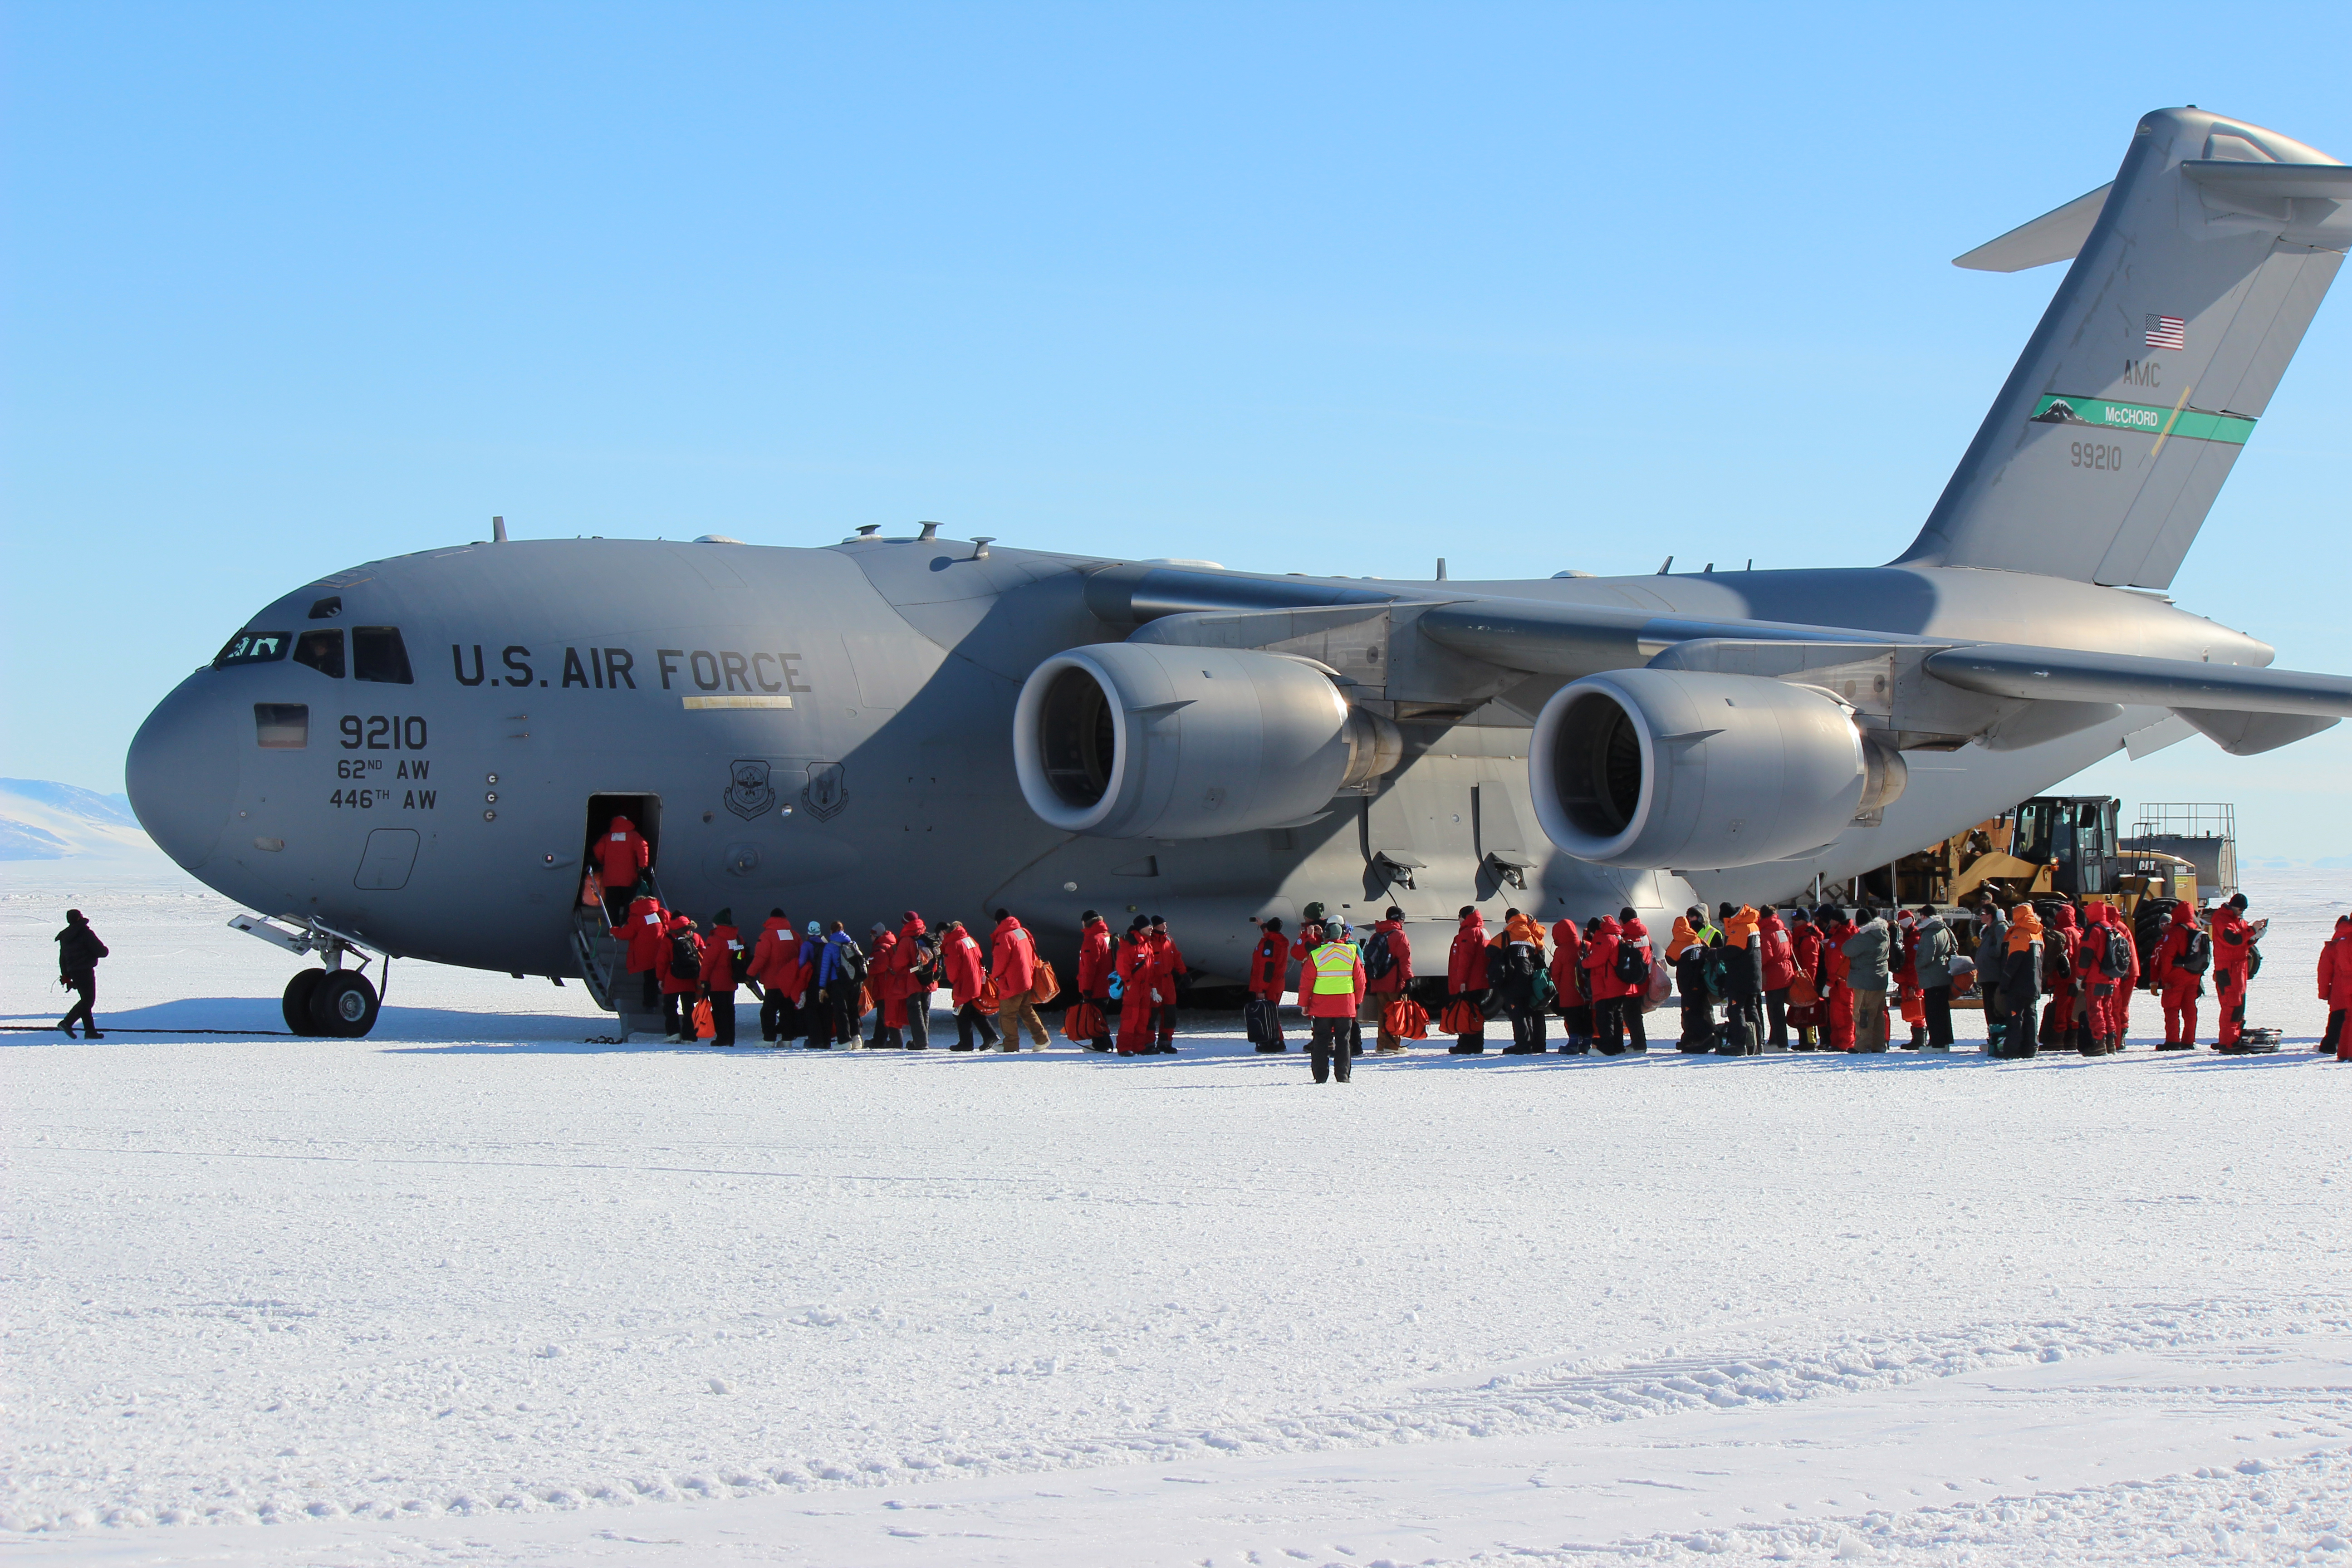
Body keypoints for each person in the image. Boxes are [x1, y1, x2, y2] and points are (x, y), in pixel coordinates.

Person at [1301, 920, 1365, 1083]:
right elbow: (1360, 981)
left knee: (1321, 1040)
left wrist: (1304, 1004)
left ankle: (1321, 1077)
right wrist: (1356, 1001)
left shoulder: (1316, 955)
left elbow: (1307, 982)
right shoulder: (1352, 953)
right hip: (1345, 1004)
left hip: (1321, 1005)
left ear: (1326, 935)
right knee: (1343, 1039)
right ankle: (1343, 1076)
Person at [987, 909, 1048, 1052]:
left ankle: (1011, 1044)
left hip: (1011, 983)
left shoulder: (1004, 937)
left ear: (998, 922)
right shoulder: (1023, 932)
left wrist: (994, 976)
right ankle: (1042, 1039)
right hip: (1027, 979)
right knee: (1026, 1010)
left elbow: (1000, 962)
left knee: (1007, 1015)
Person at [2209, 893, 2259, 1051]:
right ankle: (2228, 1042)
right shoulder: (2222, 920)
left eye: (2244, 910)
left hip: (2239, 970)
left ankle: (2232, 1038)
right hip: (2228, 970)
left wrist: (2256, 936)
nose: (2242, 912)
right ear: (2233, 906)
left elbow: (2243, 942)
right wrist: (2252, 930)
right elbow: (2233, 940)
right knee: (2232, 1006)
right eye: (2240, 909)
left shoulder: (2238, 921)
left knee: (2238, 1006)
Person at [941, 919, 1000, 1051]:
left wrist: (954, 981)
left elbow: (952, 969)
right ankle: (989, 1035)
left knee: (960, 1013)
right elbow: (979, 955)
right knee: (972, 1010)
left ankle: (966, 1043)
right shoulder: (969, 940)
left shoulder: (953, 944)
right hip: (977, 979)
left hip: (965, 983)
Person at [1363, 906, 1414, 1053]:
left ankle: (1381, 1045)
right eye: (1402, 918)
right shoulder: (1399, 935)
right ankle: (1392, 1045)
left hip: (1378, 980)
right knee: (1396, 1013)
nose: (1403, 921)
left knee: (1382, 1014)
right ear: (1397, 918)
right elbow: (1405, 960)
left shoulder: (1377, 934)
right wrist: (1409, 979)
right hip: (1394, 982)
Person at [1496, 908, 1547, 1053]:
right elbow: (1540, 958)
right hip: (1536, 979)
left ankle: (1525, 1043)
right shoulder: (1536, 935)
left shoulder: (1516, 934)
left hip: (1521, 978)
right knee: (1537, 1012)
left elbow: (1492, 950)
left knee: (1521, 1013)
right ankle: (1538, 1045)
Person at [1842, 906, 1892, 1052]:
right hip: (1880, 978)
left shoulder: (1865, 936)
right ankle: (1879, 1044)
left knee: (1862, 1013)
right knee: (1877, 1014)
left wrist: (1858, 935)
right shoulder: (1883, 933)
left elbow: (1847, 949)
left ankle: (1862, 1046)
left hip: (1865, 979)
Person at [2000, 903, 2046, 1057]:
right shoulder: (2037, 933)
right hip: (2034, 982)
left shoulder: (2020, 933)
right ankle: (2031, 1048)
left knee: (2015, 1016)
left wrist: (2005, 982)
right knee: (2031, 1015)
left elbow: (2014, 960)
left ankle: (2013, 1050)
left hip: (2019, 983)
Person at [1911, 903, 1958, 1050]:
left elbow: (1926, 956)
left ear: (1925, 916)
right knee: (1943, 1010)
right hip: (1944, 974)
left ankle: (1936, 1043)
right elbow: (1955, 946)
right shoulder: (1945, 928)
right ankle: (1944, 1042)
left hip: (1932, 977)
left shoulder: (1929, 933)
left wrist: (1917, 965)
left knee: (1933, 1011)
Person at [55, 908, 108, 1039]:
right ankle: (67, 1023)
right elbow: (101, 952)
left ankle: (90, 1031)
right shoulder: (85, 933)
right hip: (85, 971)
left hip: (73, 972)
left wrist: (66, 975)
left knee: (85, 1000)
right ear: (80, 918)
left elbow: (63, 958)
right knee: (88, 1001)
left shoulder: (66, 936)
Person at [1446, 906, 1491, 1054]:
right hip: (1481, 980)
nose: (1459, 920)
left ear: (1465, 917)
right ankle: (1477, 1044)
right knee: (1476, 1013)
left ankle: (1466, 1044)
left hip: (1470, 982)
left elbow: (1465, 960)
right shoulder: (1483, 931)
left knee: (1466, 1012)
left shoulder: (1468, 933)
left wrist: (1462, 981)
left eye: (1460, 917)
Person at [1719, 902, 1764, 1053]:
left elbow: (1733, 951)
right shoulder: (1752, 925)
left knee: (1736, 1009)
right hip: (1754, 975)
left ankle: (1739, 1044)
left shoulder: (1740, 928)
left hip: (1740, 977)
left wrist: (1715, 954)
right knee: (1752, 1009)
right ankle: (1757, 1043)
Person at [621, 880, 669, 1016]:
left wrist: (614, 931)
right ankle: (666, 1001)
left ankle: (651, 1005)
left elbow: (627, 934)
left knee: (650, 981)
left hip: (647, 956)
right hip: (663, 952)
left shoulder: (637, 917)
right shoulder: (661, 914)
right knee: (662, 977)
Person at [814, 921, 865, 1048]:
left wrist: (822, 988)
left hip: (839, 982)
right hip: (856, 982)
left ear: (831, 931)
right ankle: (857, 1038)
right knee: (853, 1010)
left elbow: (825, 968)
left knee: (841, 1011)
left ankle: (844, 1041)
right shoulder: (852, 943)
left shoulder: (830, 946)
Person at [1668, 908, 1712, 1051]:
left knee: (1690, 1013)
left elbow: (1671, 960)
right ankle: (1691, 1040)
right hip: (1702, 981)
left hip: (1688, 983)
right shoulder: (1697, 938)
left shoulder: (1677, 942)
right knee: (1699, 1011)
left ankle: (1709, 1035)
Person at [593, 813, 651, 921]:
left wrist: (603, 862)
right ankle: (626, 924)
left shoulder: (607, 837)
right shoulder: (634, 836)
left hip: (610, 878)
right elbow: (643, 848)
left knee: (612, 903)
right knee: (629, 902)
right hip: (629, 877)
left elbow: (598, 850)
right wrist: (642, 866)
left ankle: (613, 926)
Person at [657, 912, 703, 1042]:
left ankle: (674, 1033)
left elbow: (662, 961)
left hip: (672, 978)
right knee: (689, 1008)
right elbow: (703, 956)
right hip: (690, 979)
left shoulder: (668, 940)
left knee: (670, 1007)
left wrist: (660, 978)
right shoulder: (696, 938)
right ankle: (690, 1036)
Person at [1246, 916, 1291, 1052]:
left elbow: (1267, 968)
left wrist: (1262, 989)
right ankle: (1274, 1039)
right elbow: (1269, 933)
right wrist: (1262, 925)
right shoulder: (1278, 940)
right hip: (1277, 982)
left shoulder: (1269, 944)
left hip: (1269, 984)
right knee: (1271, 1012)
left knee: (1268, 1014)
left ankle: (1275, 1041)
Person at [1549, 914, 1592, 1054]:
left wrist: (1560, 988)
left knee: (1572, 1019)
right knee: (1587, 1018)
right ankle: (1587, 1043)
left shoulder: (1561, 951)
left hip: (1569, 992)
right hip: (1587, 992)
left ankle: (1573, 1044)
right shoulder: (1586, 946)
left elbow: (1555, 973)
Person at [1075, 910, 1116, 1051]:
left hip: (1095, 986)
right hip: (1106, 984)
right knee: (1100, 1015)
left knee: (1095, 1017)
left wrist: (1086, 988)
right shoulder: (1107, 937)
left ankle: (1101, 1045)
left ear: (1086, 922)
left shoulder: (1092, 939)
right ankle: (1105, 1043)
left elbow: (1089, 967)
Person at [702, 907, 743, 1046]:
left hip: (717, 981)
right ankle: (731, 1038)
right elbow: (740, 956)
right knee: (730, 1009)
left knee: (719, 1011)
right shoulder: (737, 939)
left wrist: (703, 979)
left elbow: (708, 962)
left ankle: (722, 1038)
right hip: (732, 979)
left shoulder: (715, 939)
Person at [1114, 920, 1156, 1055]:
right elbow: (1122, 965)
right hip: (1134, 987)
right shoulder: (1130, 944)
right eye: (1149, 926)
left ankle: (1139, 1046)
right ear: (1141, 928)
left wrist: (1153, 987)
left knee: (1143, 1018)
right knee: (1130, 1018)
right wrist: (1129, 982)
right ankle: (1124, 1047)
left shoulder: (1147, 943)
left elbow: (1150, 968)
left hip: (1145, 988)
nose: (1151, 928)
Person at [1615, 908, 1654, 1053]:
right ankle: (1638, 1043)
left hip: (1631, 981)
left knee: (1631, 1014)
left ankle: (1638, 1044)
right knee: (1635, 1013)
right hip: (1643, 978)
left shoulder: (1626, 935)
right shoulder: (1645, 933)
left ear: (1623, 920)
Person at [1147, 915, 1187, 1053]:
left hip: (1168, 981)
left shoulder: (1168, 940)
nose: (1165, 927)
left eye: (1165, 924)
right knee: (1151, 1014)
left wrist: (1184, 974)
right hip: (1155, 981)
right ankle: (1149, 1043)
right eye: (1162, 924)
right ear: (1155, 926)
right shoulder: (1149, 942)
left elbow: (1176, 957)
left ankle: (1166, 1042)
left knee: (1170, 1014)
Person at [1759, 905, 1796, 1051]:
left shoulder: (1766, 933)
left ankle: (1778, 1043)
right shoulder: (1782, 930)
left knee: (1775, 1010)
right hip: (1786, 971)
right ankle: (1779, 1041)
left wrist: (1757, 965)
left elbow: (1767, 955)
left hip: (1773, 974)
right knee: (1779, 1009)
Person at [1819, 906, 1857, 1052]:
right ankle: (1839, 1041)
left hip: (1840, 982)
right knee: (1841, 1012)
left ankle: (1844, 1042)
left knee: (1842, 1013)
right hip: (1846, 980)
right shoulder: (1850, 933)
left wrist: (1829, 983)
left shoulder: (1839, 937)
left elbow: (1835, 962)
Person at [1787, 906, 1825, 1050]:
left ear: (1805, 920)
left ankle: (1809, 1042)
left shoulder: (1807, 938)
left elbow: (1812, 963)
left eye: (1797, 919)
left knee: (1808, 1012)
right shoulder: (1799, 936)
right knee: (1800, 1012)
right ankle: (1805, 1040)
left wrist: (1808, 982)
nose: (1794, 922)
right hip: (1799, 980)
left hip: (1805, 982)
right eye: (1793, 919)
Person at [1972, 900, 2008, 1054]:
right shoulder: (1988, 929)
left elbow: (2001, 947)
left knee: (1995, 1009)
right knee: (1989, 1009)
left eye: (1983, 914)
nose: (1981, 916)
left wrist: (1989, 952)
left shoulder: (2000, 927)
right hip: (1987, 976)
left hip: (1994, 976)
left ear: (1991, 915)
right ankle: (1993, 1037)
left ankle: (1998, 1038)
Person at [1891, 909, 1928, 1049]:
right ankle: (1918, 1039)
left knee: (1915, 1010)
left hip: (1912, 981)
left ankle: (1919, 1040)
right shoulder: (1913, 937)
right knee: (1914, 1009)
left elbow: (1912, 965)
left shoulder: (1912, 939)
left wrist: (1912, 985)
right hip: (1911, 981)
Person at [903, 931, 938, 1049]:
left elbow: (899, 962)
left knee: (915, 1010)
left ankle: (921, 1042)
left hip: (915, 980)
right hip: (931, 979)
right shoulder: (930, 939)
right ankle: (923, 1040)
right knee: (925, 1011)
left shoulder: (909, 939)